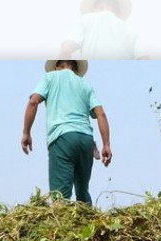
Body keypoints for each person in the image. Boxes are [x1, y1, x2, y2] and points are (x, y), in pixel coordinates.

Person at [21, 59, 112, 205]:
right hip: (86, 140)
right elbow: (101, 114)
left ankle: (63, 223)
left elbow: (33, 102)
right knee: (83, 191)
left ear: (56, 66)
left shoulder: (50, 78)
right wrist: (106, 144)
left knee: (60, 197)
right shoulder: (85, 85)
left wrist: (26, 133)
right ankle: (89, 222)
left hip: (62, 137)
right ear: (75, 68)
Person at [59, 0, 143, 60]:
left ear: (94, 7)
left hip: (95, 77)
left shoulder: (84, 20)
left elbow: (66, 50)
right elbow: (144, 58)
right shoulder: (131, 30)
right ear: (117, 9)